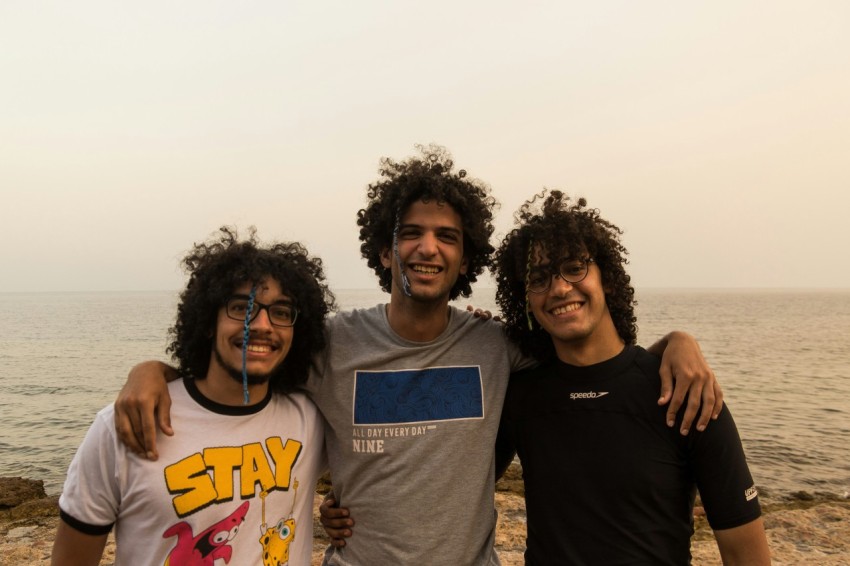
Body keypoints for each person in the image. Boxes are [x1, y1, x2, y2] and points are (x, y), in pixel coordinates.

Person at [113, 146, 722, 565]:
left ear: (465, 258)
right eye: (411, 233)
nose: (428, 248)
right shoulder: (330, 343)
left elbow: (593, 354)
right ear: (384, 250)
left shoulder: (497, 344)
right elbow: (243, 363)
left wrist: (676, 345)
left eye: (447, 237)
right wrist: (155, 374)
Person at [492, 191, 771, 565]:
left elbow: (745, 554)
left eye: (574, 268)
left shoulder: (683, 392)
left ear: (605, 277)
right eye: (539, 278)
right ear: (525, 300)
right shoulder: (519, 396)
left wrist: (680, 339)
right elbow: (454, 483)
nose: (559, 288)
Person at [51, 227, 334, 566]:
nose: (261, 325)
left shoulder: (310, 418)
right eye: (241, 307)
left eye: (282, 312)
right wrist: (149, 370)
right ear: (207, 321)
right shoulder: (125, 423)